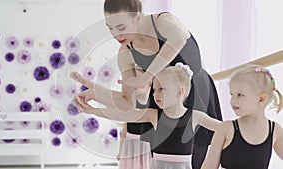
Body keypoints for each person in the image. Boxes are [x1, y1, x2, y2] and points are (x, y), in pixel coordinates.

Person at [71, 0, 222, 168]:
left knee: (199, 160)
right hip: (162, 108)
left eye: (121, 27)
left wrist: (146, 77)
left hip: (197, 97)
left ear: (136, 17)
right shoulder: (126, 53)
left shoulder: (163, 22)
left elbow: (180, 38)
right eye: (110, 28)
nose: (116, 35)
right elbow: (126, 102)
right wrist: (96, 94)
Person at [73, 64, 221, 169]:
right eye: (155, 89)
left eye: (161, 89)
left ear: (180, 91)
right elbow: (123, 114)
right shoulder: (154, 115)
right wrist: (93, 111)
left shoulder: (195, 117)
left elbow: (225, 128)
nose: (155, 94)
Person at [201, 64, 283, 169]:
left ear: (261, 99)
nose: (233, 101)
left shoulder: (275, 130)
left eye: (240, 95)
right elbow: (209, 166)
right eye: (232, 95)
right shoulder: (226, 128)